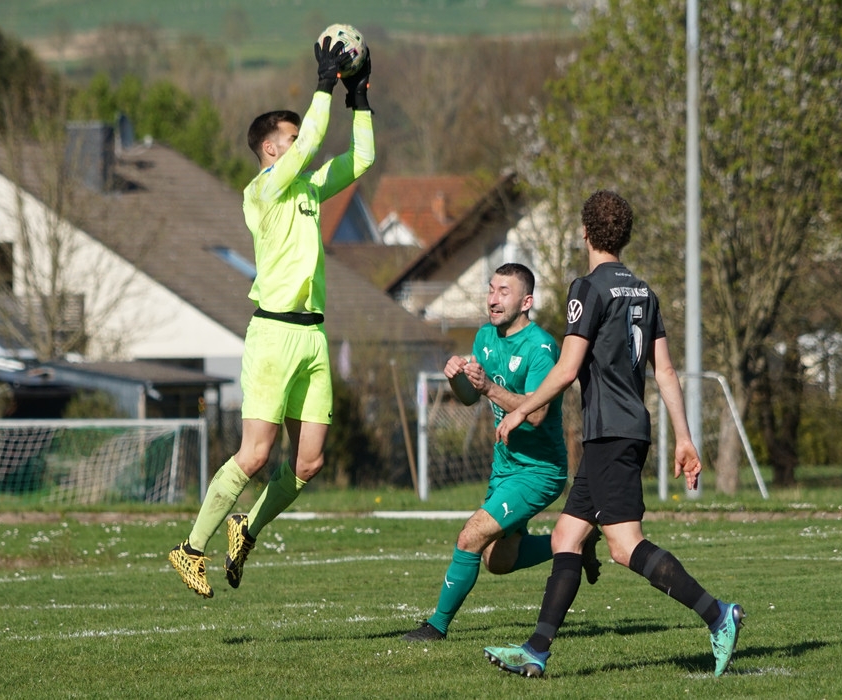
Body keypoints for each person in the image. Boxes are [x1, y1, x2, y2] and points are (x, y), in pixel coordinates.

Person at [482, 190, 744, 678]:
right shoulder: (643, 291)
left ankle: (717, 614)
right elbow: (666, 372)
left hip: (610, 434)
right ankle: (536, 650)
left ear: (585, 233)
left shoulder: (587, 289)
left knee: (624, 546)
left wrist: (521, 411)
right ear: (624, 236)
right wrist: (684, 438)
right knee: (567, 535)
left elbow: (566, 370)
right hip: (626, 431)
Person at [168, 36, 375, 598]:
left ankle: (247, 526)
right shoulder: (263, 189)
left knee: (308, 462)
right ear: (270, 149)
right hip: (273, 334)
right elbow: (313, 143)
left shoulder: (305, 188)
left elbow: (362, 159)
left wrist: (358, 98)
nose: (299, 142)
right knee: (256, 454)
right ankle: (190, 549)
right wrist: (324, 83)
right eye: (290, 137)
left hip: (312, 337)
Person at [401, 263, 602, 643]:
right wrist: (458, 379)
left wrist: (489, 388)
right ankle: (580, 538)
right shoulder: (484, 337)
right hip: (504, 467)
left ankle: (436, 627)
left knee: (470, 536)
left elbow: (536, 413)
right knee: (499, 561)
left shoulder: (541, 347)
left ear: (526, 302)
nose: (493, 299)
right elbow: (468, 399)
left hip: (539, 471)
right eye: (491, 289)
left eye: (503, 292)